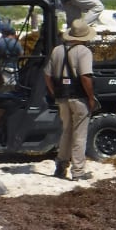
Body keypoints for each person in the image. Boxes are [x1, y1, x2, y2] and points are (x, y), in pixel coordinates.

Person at [44, 19, 98, 181]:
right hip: (79, 98)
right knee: (79, 134)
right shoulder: (84, 51)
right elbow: (85, 77)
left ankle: (61, 166)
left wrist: (54, 92)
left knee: (66, 131)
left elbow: (47, 75)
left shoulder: (57, 50)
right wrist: (91, 98)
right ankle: (78, 171)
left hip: (62, 97)